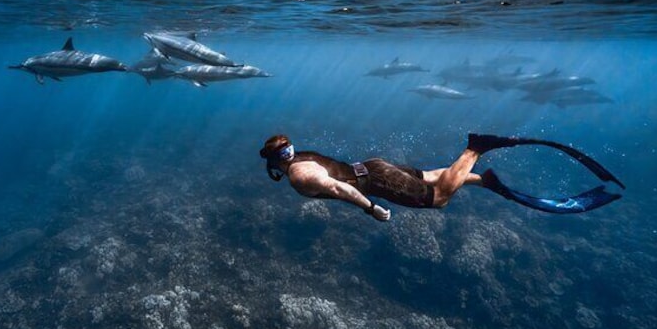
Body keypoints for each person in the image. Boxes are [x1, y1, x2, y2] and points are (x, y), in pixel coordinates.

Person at [259, 133, 625, 221]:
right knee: (435, 176)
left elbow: (337, 187)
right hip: (373, 166)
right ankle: (484, 181)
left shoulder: (298, 175)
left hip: (377, 182)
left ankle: (475, 149)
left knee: (439, 198)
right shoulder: (301, 153)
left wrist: (372, 209)